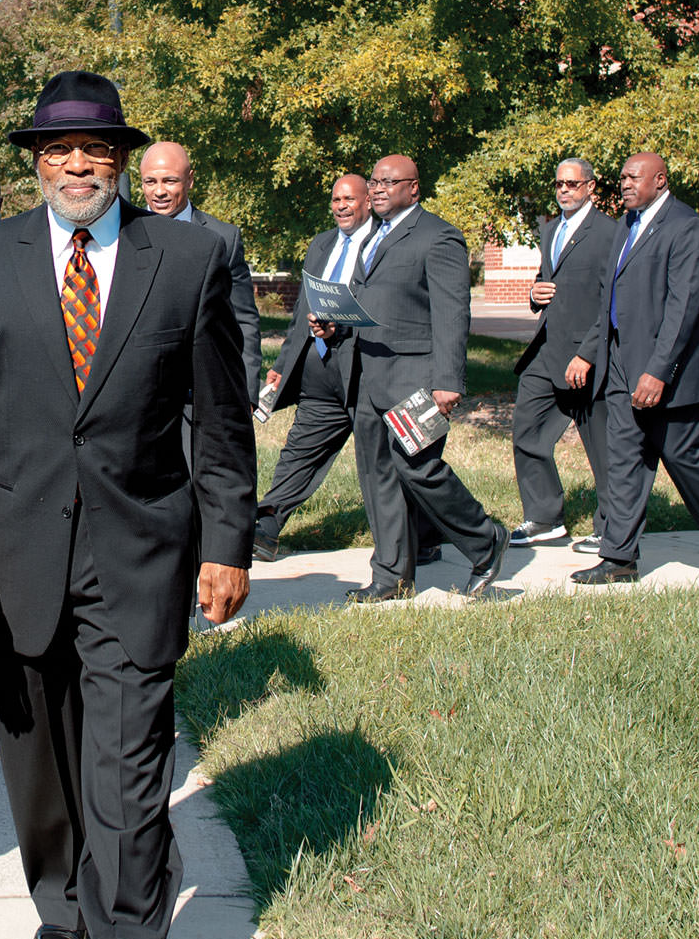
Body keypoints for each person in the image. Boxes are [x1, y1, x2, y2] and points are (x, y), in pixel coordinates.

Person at [0, 70, 254, 939]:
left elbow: (222, 422)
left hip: (139, 548)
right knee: (38, 746)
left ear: (120, 157)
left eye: (94, 146)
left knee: (129, 752)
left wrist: (229, 541)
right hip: (15, 547)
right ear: (34, 160)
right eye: (57, 148)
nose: (75, 162)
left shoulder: (183, 260)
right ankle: (59, 891)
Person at [572, 152, 699, 586]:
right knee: (623, 462)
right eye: (622, 177)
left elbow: (684, 306)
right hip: (618, 366)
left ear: (661, 180)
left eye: (634, 177)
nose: (625, 183)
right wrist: (590, 350)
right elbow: (610, 300)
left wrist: (658, 370)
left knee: (683, 459)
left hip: (666, 375)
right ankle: (619, 557)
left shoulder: (686, 227)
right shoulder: (627, 227)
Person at [344, 155, 510, 600]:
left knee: (418, 469)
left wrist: (448, 380)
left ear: (413, 188)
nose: (377, 189)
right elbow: (372, 303)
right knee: (378, 476)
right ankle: (392, 577)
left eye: (388, 182)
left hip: (416, 380)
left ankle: (485, 539)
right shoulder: (373, 238)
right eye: (374, 181)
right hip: (370, 377)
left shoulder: (439, 238)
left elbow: (453, 314)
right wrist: (336, 323)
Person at [252, 174, 375, 562]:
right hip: (319, 365)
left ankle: (423, 535)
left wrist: (343, 327)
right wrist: (283, 365)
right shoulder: (322, 243)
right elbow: (301, 311)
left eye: (349, 199)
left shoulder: (384, 244)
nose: (341, 206)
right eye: (336, 199)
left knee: (389, 460)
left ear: (368, 201)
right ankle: (266, 528)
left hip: (367, 368)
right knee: (300, 449)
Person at [508, 158, 620, 550]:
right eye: (558, 184)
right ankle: (543, 519)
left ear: (591, 187)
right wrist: (536, 292)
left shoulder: (610, 232)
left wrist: (589, 353)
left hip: (588, 354)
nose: (564, 191)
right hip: (546, 349)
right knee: (527, 430)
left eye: (572, 184)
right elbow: (549, 278)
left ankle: (613, 529)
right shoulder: (551, 229)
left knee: (603, 446)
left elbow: (613, 300)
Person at [136, 140, 264, 398]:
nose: (159, 191)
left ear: (190, 180)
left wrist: (247, 391)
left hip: (202, 391)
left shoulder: (223, 238)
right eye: (150, 182)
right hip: (138, 389)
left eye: (170, 181)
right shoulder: (121, 233)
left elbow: (244, 320)